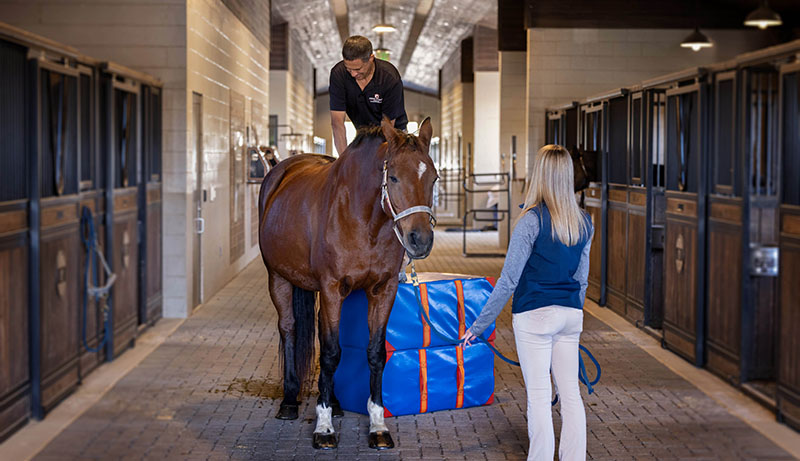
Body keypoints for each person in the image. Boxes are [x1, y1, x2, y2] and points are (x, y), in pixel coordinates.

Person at [460, 145, 593, 461]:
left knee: (539, 395)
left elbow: (507, 281)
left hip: (534, 316)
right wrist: (574, 312)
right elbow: (583, 280)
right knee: (571, 395)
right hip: (570, 316)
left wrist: (477, 327)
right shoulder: (585, 222)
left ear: (540, 176)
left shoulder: (531, 221)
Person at [329, 35, 408, 155]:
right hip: (363, 134)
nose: (353, 74)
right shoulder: (338, 74)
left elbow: (387, 126)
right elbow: (337, 123)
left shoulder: (389, 78)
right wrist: (342, 160)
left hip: (394, 132)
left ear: (371, 58)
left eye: (358, 69)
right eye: (349, 69)